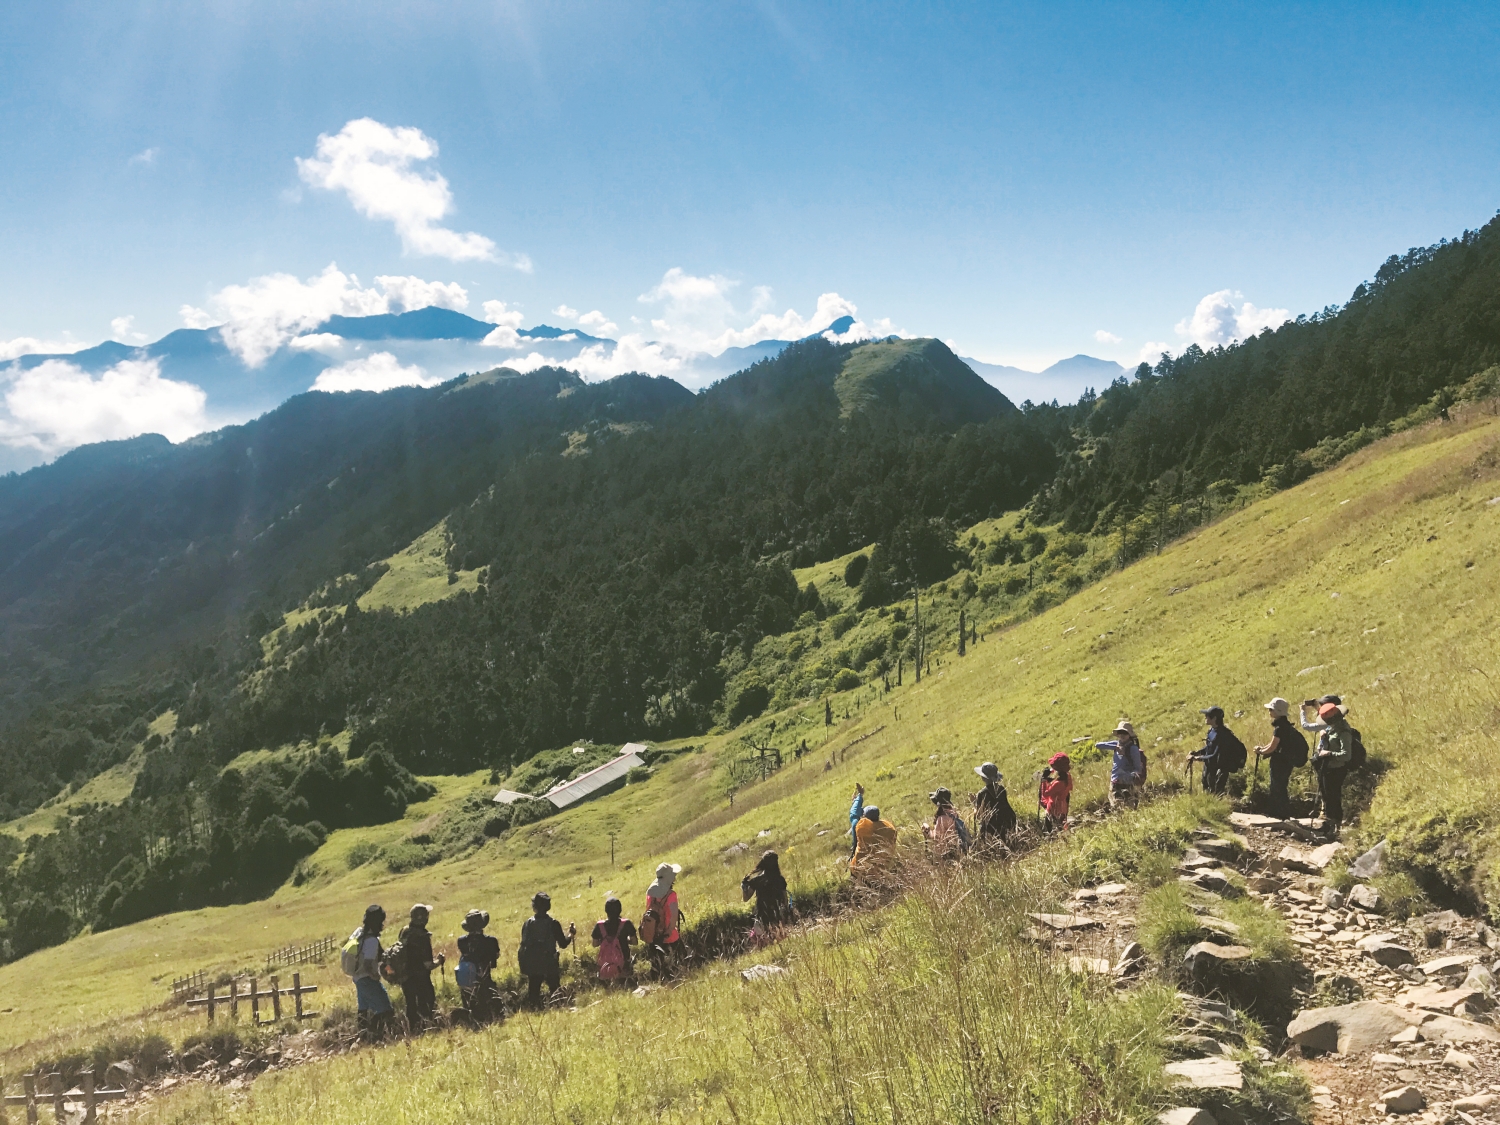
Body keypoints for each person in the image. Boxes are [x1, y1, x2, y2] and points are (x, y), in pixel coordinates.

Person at [517, 892, 574, 1008]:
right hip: (549, 961)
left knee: (533, 990)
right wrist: (571, 935)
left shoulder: (527, 923)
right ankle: (559, 1008)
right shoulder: (553, 923)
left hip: (532, 962)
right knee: (555, 988)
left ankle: (535, 1010)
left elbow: (524, 943)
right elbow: (563, 944)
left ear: (534, 907)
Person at [1254, 698, 1308, 818]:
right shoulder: (1285, 726)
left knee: (1277, 786)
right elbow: (1273, 744)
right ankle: (1281, 811)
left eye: (1271, 709)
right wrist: (1262, 749)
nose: (1269, 711)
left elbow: (1272, 747)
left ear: (1277, 711)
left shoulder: (1279, 728)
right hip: (1286, 761)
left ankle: (1279, 812)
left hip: (1280, 762)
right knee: (1280, 785)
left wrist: (1261, 751)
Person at [396, 903, 445, 1031]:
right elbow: (428, 964)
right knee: (426, 1003)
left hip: (405, 977)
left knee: (411, 1004)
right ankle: (427, 1028)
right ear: (424, 918)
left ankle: (412, 1030)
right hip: (421, 977)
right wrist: (439, 961)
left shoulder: (404, 931)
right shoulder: (423, 936)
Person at [350, 904, 394, 1039]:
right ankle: (380, 1037)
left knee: (363, 1009)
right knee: (385, 1008)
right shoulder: (372, 941)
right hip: (367, 978)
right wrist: (377, 976)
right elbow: (369, 964)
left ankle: (362, 1036)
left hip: (357, 977)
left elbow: (380, 957)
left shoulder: (359, 933)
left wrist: (389, 970)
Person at [1311, 701, 1353, 834]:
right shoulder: (1332, 729)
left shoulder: (1344, 732)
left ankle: (1335, 825)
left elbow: (1346, 755)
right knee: (1326, 796)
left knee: (1333, 797)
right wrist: (1323, 739)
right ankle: (1328, 823)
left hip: (1336, 769)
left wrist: (1329, 753)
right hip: (1327, 768)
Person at [456, 908, 501, 1022]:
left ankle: (472, 1019)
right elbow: (496, 955)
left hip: (468, 975)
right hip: (484, 974)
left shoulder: (461, 941)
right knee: (488, 995)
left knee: (469, 997)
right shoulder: (491, 941)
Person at [1190, 706, 1245, 795]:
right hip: (1210, 765)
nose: (1205, 717)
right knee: (1206, 785)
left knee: (1216, 792)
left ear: (1214, 718)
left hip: (1219, 768)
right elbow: (1209, 748)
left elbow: (1215, 755)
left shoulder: (1223, 736)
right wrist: (1197, 753)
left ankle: (1218, 805)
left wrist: (1197, 758)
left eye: (1207, 715)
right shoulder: (1212, 731)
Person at [741, 850, 791, 946]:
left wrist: (744, 888)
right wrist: (786, 913)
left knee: (763, 943)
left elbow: (746, 898)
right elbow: (785, 900)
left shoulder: (757, 880)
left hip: (762, 917)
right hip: (777, 916)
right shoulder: (780, 880)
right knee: (779, 941)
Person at [643, 862, 683, 977]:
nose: (675, 877)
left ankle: (657, 982)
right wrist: (669, 931)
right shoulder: (671, 895)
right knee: (677, 961)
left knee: (656, 964)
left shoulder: (650, 894)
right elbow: (674, 915)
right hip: (669, 936)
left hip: (653, 934)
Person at [590, 895, 638, 984]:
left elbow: (594, 944)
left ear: (606, 910)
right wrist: (625, 940)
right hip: (624, 965)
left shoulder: (599, 926)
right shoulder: (626, 923)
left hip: (605, 966)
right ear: (620, 909)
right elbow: (635, 942)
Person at [1099, 721, 1145, 809]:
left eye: (1125, 733)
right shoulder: (1116, 744)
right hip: (1115, 781)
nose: (1122, 735)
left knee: (1126, 807)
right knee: (1117, 808)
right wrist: (1115, 747)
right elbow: (1098, 745)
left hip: (1127, 784)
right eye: (1120, 733)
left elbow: (1137, 769)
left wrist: (1126, 776)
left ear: (1129, 735)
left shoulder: (1133, 749)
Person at [971, 762, 1017, 847]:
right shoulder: (1001, 789)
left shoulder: (982, 794)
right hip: (1005, 822)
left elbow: (979, 815)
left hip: (991, 828)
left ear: (983, 778)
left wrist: (974, 803)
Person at [850, 804, 899, 879]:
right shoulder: (889, 830)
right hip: (882, 869)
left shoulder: (862, 830)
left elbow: (858, 823)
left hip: (861, 870)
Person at [921, 787, 970, 859]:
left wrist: (927, 831)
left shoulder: (942, 818)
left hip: (948, 854)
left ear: (938, 803)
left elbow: (937, 838)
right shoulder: (953, 813)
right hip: (958, 850)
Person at [1039, 753, 1073, 830]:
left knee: (1051, 829)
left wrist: (1044, 780)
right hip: (1063, 808)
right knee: (1061, 826)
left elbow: (1045, 794)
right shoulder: (1067, 776)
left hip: (1053, 810)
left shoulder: (1058, 783)